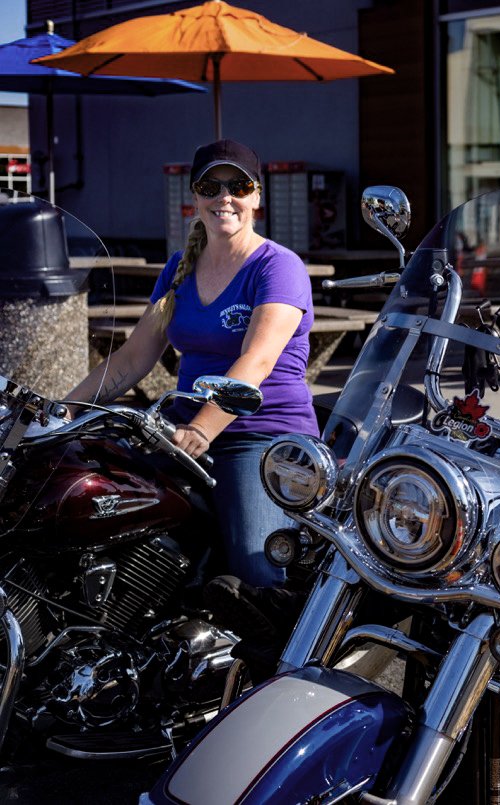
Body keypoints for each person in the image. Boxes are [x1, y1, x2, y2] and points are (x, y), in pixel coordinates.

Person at [66, 138, 319, 602]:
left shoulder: (278, 267)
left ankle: (278, 643)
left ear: (256, 197)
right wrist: (63, 411)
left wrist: (203, 428)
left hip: (260, 435)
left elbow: (257, 361)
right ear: (195, 197)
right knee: (96, 502)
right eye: (210, 186)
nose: (225, 197)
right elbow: (132, 358)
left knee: (257, 571)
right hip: (180, 428)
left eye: (238, 186)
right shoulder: (179, 269)